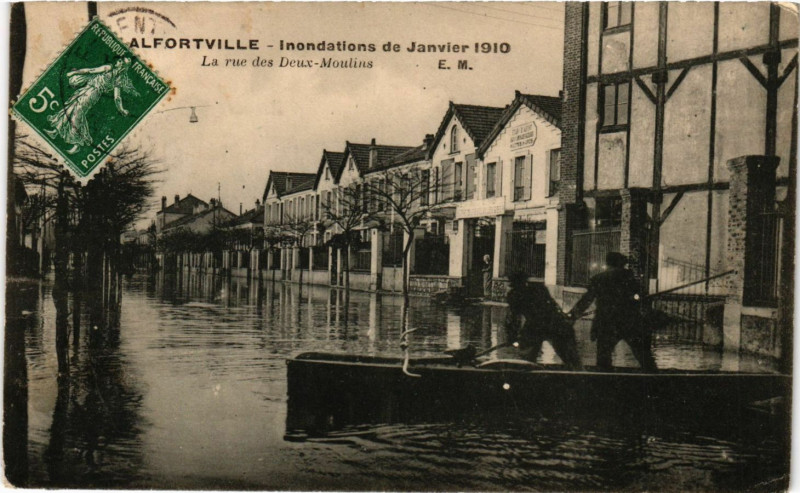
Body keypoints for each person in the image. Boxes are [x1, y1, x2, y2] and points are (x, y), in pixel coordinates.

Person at [568, 252, 657, 371]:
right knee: (643, 355)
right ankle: (654, 379)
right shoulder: (630, 278)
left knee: (603, 357)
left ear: (608, 263)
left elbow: (586, 300)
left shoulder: (598, 278)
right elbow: (643, 299)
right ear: (621, 264)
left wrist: (572, 316)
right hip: (630, 322)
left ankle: (605, 381)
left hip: (606, 322)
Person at [505, 271, 583, 370]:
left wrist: (511, 336)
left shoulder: (514, 295)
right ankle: (578, 371)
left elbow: (513, 319)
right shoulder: (539, 288)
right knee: (571, 359)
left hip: (539, 325)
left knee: (526, 357)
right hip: (555, 323)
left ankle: (525, 371)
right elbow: (554, 305)